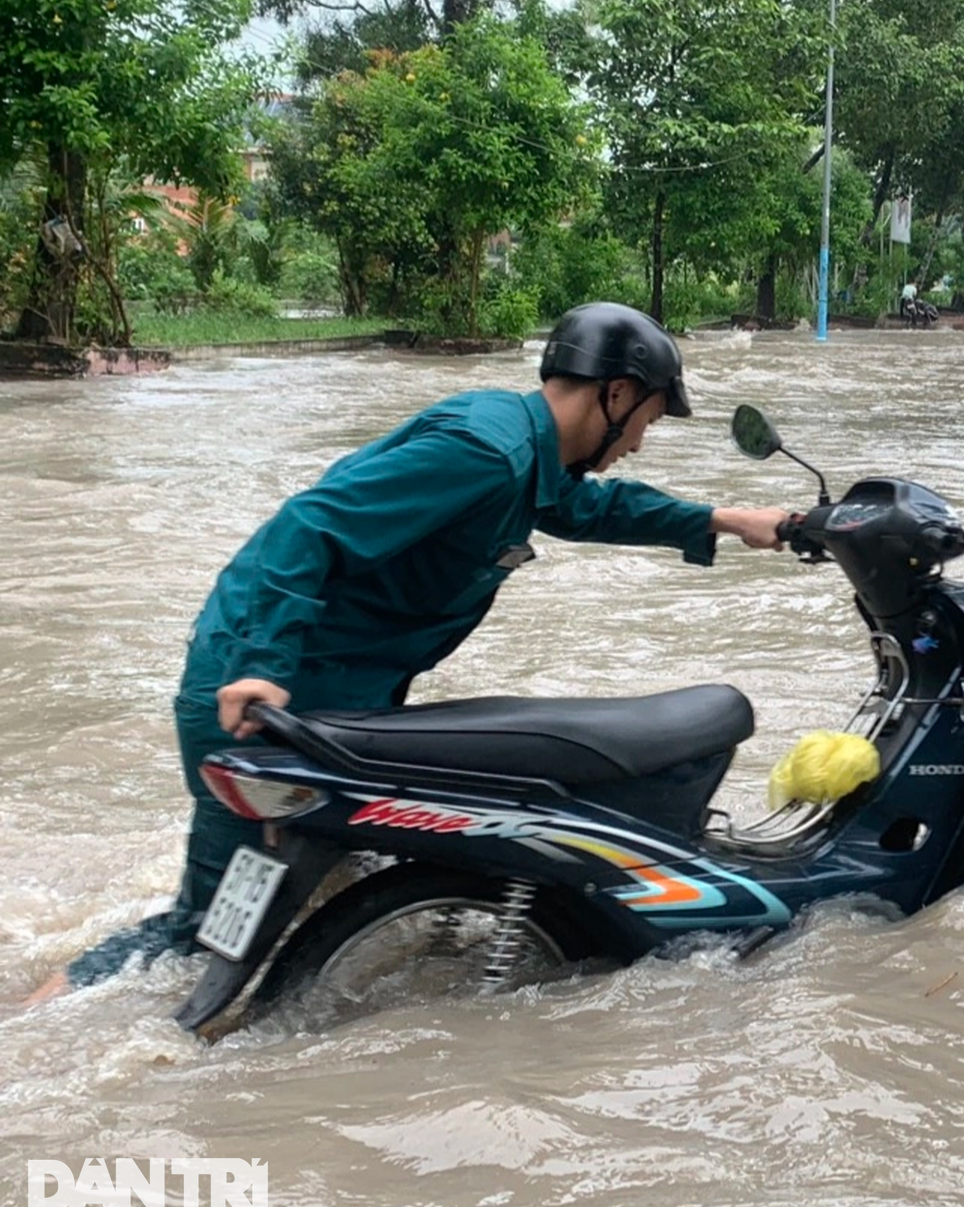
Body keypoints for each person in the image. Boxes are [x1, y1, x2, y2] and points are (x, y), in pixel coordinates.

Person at [26, 302, 791, 1004]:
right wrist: (261, 663)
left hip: (329, 697)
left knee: (337, 883)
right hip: (263, 700)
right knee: (202, 933)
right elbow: (309, 527)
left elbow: (591, 507)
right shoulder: (485, 452)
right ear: (616, 395)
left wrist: (724, 519)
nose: (637, 443)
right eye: (646, 421)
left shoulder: (525, 456)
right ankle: (39, 1018)